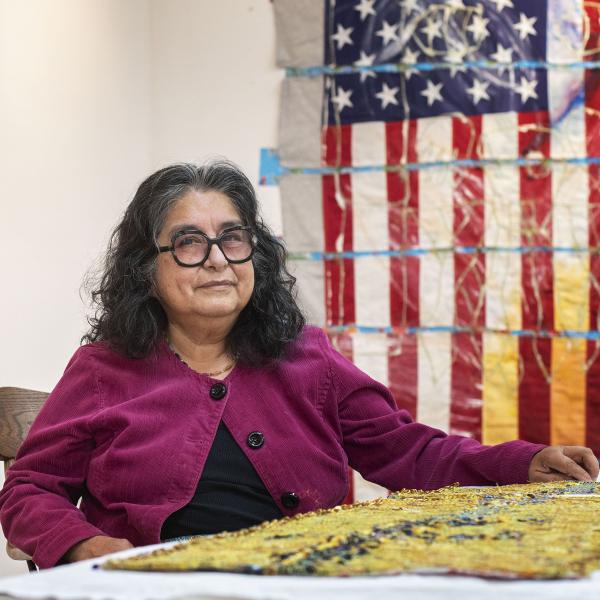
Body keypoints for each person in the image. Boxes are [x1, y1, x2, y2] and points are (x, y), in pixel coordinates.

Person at [0, 161, 597, 570]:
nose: (217, 260)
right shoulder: (102, 371)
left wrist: (520, 461)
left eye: (234, 239)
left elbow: (407, 451)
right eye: (188, 242)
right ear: (145, 268)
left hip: (306, 580)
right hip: (159, 585)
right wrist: (89, 547)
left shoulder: (309, 357)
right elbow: (29, 490)